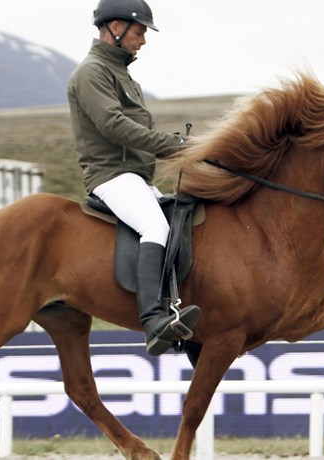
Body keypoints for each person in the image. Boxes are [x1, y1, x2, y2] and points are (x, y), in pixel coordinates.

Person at [67, 0, 199, 356]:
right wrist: (175, 146)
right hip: (111, 176)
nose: (143, 40)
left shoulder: (123, 75)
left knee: (181, 224)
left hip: (137, 178)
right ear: (115, 27)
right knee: (156, 227)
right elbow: (114, 126)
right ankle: (154, 321)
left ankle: (178, 309)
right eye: (139, 32)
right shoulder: (91, 73)